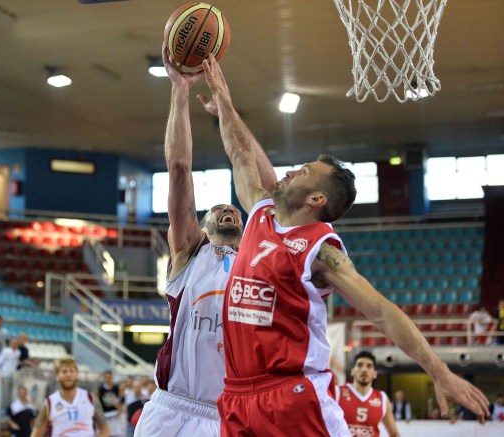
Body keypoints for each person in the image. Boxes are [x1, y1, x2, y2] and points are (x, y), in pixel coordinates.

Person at [198, 53, 491, 435]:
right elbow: (240, 153)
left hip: (291, 396)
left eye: (303, 172)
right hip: (237, 396)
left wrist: (440, 372)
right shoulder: (260, 215)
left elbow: (381, 311)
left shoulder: (321, 248)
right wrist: (225, 104)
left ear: (316, 199)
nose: (290, 171)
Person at [133, 45, 276, 437]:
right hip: (173, 409)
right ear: (203, 225)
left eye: (234, 208)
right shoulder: (190, 252)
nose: (228, 209)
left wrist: (228, 109)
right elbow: (179, 168)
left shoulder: (260, 260)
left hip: (232, 414)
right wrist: (180, 90)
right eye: (217, 209)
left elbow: (265, 185)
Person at [30, 357, 109, 437]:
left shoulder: (90, 398)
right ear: (57, 376)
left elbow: (105, 430)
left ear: (77, 375)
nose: (68, 375)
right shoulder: (49, 403)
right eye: (64, 371)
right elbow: (36, 435)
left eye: (71, 371)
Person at [336, 351, 399, 437]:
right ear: (352, 371)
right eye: (360, 365)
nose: (364, 370)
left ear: (375, 374)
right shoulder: (337, 392)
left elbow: (394, 434)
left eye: (369, 366)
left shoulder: (382, 398)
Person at [97, 371, 124, 437]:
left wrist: (120, 409)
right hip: (104, 414)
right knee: (105, 433)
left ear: (112, 377)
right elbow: (97, 402)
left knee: (115, 434)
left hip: (114, 414)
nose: (108, 379)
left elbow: (121, 399)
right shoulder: (100, 389)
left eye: (109, 377)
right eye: (106, 377)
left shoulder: (116, 388)